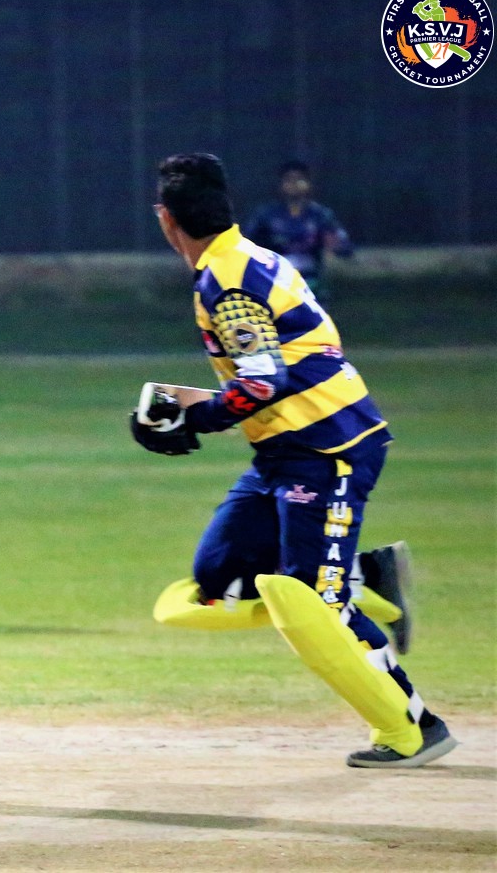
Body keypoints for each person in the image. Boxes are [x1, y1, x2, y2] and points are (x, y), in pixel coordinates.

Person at [132, 153, 455, 768]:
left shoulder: (225, 280)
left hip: (326, 450)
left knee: (316, 603)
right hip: (287, 448)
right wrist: (173, 403)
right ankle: (370, 576)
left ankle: (413, 727)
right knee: (218, 578)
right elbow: (276, 370)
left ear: (165, 219)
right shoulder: (249, 256)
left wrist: (194, 420)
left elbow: (262, 381)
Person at [242, 159, 353, 299]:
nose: (294, 184)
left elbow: (345, 247)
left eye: (299, 179)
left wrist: (335, 246)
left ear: (308, 184)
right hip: (276, 281)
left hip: (312, 283)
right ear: (281, 184)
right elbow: (247, 244)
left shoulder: (320, 215)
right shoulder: (266, 216)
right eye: (289, 180)